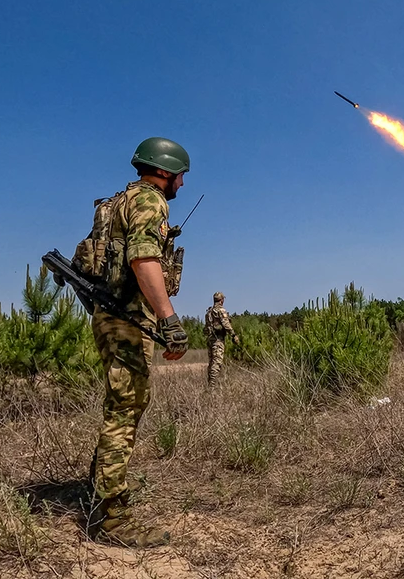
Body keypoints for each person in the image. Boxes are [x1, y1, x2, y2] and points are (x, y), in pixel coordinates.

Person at [86, 137, 191, 547]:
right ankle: (111, 518)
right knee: (125, 409)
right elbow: (142, 259)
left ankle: (100, 491)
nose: (181, 185)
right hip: (128, 318)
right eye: (180, 176)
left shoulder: (116, 202)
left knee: (121, 405)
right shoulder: (150, 202)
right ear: (164, 171)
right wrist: (169, 318)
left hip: (110, 317)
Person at [204, 291, 239, 385]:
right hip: (218, 340)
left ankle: (210, 384)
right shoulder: (221, 310)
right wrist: (234, 335)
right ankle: (212, 386)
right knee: (217, 362)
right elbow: (226, 324)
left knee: (212, 362)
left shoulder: (209, 312)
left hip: (210, 339)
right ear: (222, 300)